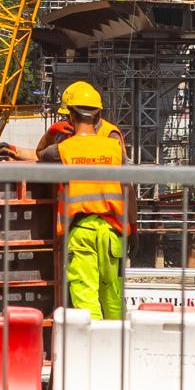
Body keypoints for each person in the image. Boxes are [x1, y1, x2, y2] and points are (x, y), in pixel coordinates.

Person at [19, 80, 128, 318]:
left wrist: (51, 132)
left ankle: (94, 351)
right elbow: (128, 188)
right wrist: (133, 229)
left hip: (81, 233)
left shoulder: (63, 150)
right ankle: (118, 350)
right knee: (113, 298)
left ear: (70, 116)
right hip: (113, 231)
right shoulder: (114, 147)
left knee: (85, 299)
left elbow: (39, 152)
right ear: (99, 114)